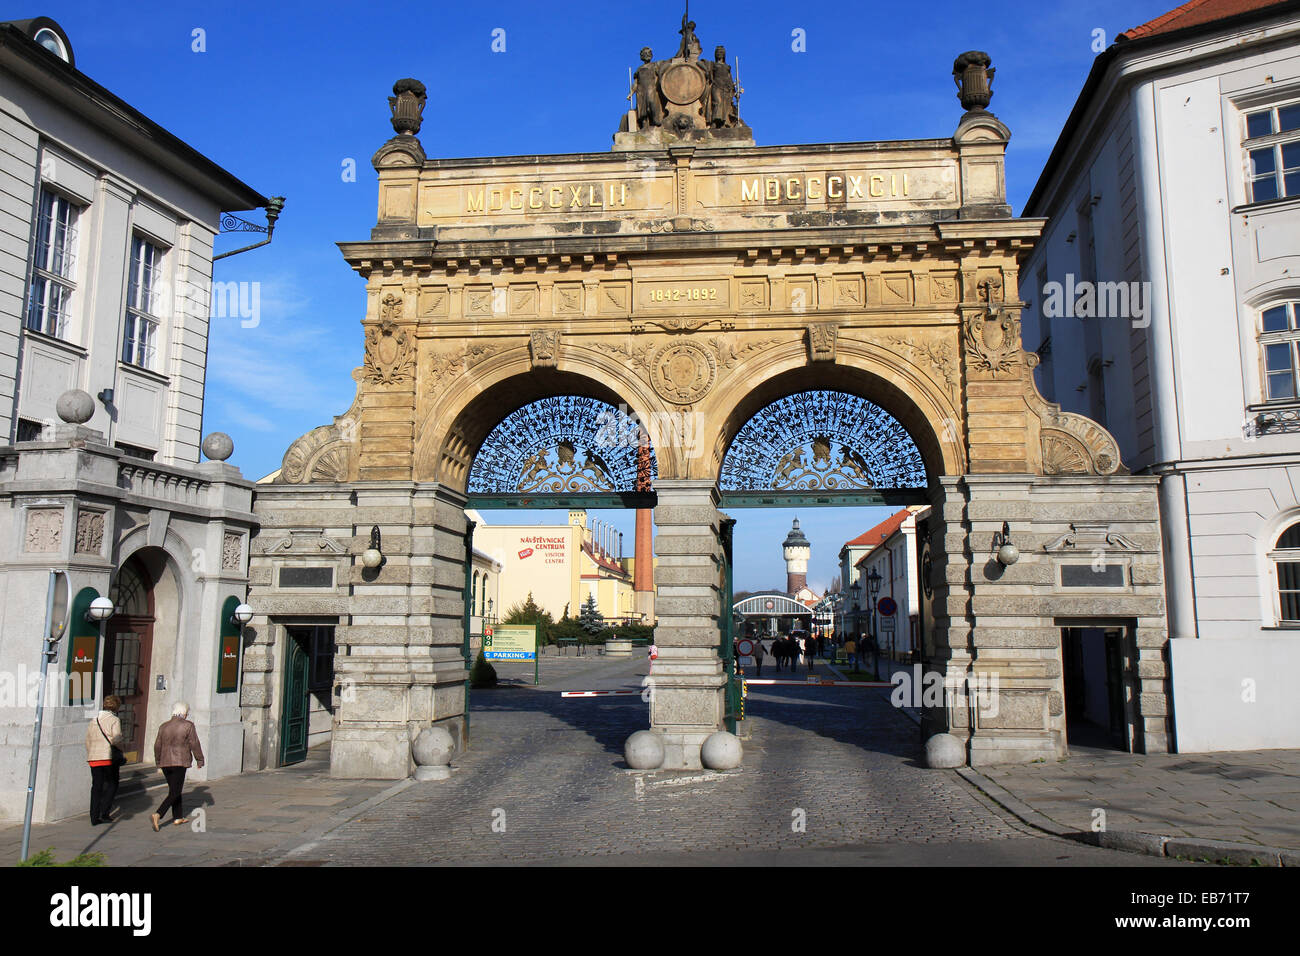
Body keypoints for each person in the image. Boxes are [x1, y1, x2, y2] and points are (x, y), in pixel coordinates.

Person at [151, 701, 204, 831]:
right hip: (179, 761)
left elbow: (157, 745)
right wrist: (200, 759)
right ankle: (158, 814)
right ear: (184, 713)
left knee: (174, 789)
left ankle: (178, 817)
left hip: (165, 762)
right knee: (175, 791)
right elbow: (194, 743)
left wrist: (158, 761)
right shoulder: (188, 725)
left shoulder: (164, 726)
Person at [85, 695, 124, 825]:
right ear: (116, 706)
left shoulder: (94, 720)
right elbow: (116, 738)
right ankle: (105, 812)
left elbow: (88, 740)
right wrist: (121, 749)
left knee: (96, 786)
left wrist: (91, 752)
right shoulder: (114, 719)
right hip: (108, 757)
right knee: (112, 784)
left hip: (94, 757)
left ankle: (94, 816)